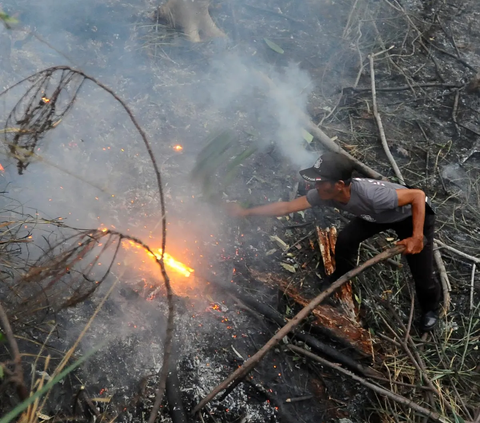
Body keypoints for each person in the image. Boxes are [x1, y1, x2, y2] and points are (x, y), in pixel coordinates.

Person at [228, 152, 441, 332]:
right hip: (374, 216)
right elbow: (286, 207)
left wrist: (416, 236)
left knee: (421, 271)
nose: (314, 185)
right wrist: (246, 212)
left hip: (409, 216)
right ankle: (341, 274)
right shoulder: (325, 194)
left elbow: (418, 196)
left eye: (320, 182)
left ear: (339, 184)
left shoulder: (373, 196)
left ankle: (431, 308)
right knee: (346, 239)